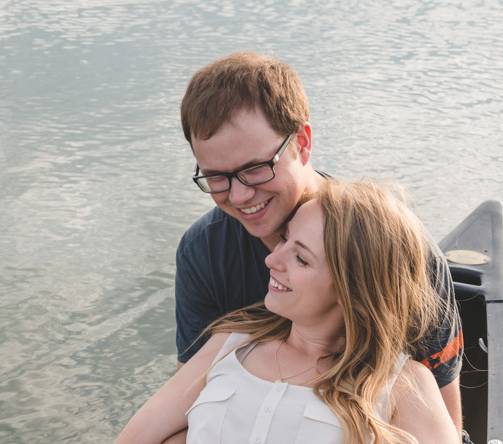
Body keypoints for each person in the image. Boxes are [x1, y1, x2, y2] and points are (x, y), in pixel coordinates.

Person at [172, 52, 464, 440]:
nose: (240, 196)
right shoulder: (203, 253)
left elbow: (444, 415)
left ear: (303, 142)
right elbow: (187, 411)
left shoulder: (398, 252)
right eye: (216, 177)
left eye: (255, 168)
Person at [116, 180, 459, 444]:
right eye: (285, 240)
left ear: (353, 291)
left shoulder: (402, 385)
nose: (271, 260)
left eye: (301, 258)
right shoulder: (230, 343)